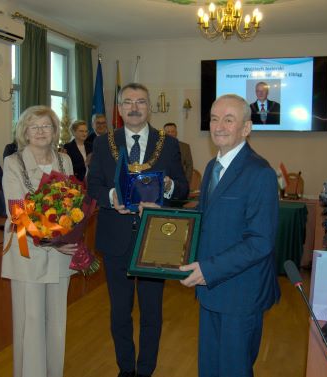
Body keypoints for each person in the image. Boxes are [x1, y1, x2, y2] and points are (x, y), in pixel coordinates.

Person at [87, 83, 189, 377]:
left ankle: (145, 370)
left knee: (152, 313)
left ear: (149, 108)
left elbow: (182, 188)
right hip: (115, 238)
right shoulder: (103, 142)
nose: (134, 107)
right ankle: (125, 370)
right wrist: (111, 197)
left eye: (141, 101)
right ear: (119, 108)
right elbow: (93, 185)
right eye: (128, 102)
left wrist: (168, 186)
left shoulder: (167, 143)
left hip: (154, 240)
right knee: (120, 312)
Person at [179, 94, 280, 377]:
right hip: (210, 291)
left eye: (228, 119)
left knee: (234, 370)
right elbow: (204, 220)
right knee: (210, 368)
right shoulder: (213, 166)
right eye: (214, 118)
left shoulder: (260, 173)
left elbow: (260, 242)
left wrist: (208, 270)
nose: (219, 126)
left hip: (240, 294)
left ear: (246, 128)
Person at [1, 105, 78, 377]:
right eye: (34, 127)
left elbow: (72, 204)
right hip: (28, 251)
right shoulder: (13, 162)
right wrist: (51, 240)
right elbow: (17, 211)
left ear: (55, 131)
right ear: (24, 132)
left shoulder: (64, 160)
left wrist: (69, 234)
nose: (41, 132)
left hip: (60, 253)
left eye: (46, 126)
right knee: (30, 321)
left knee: (56, 320)